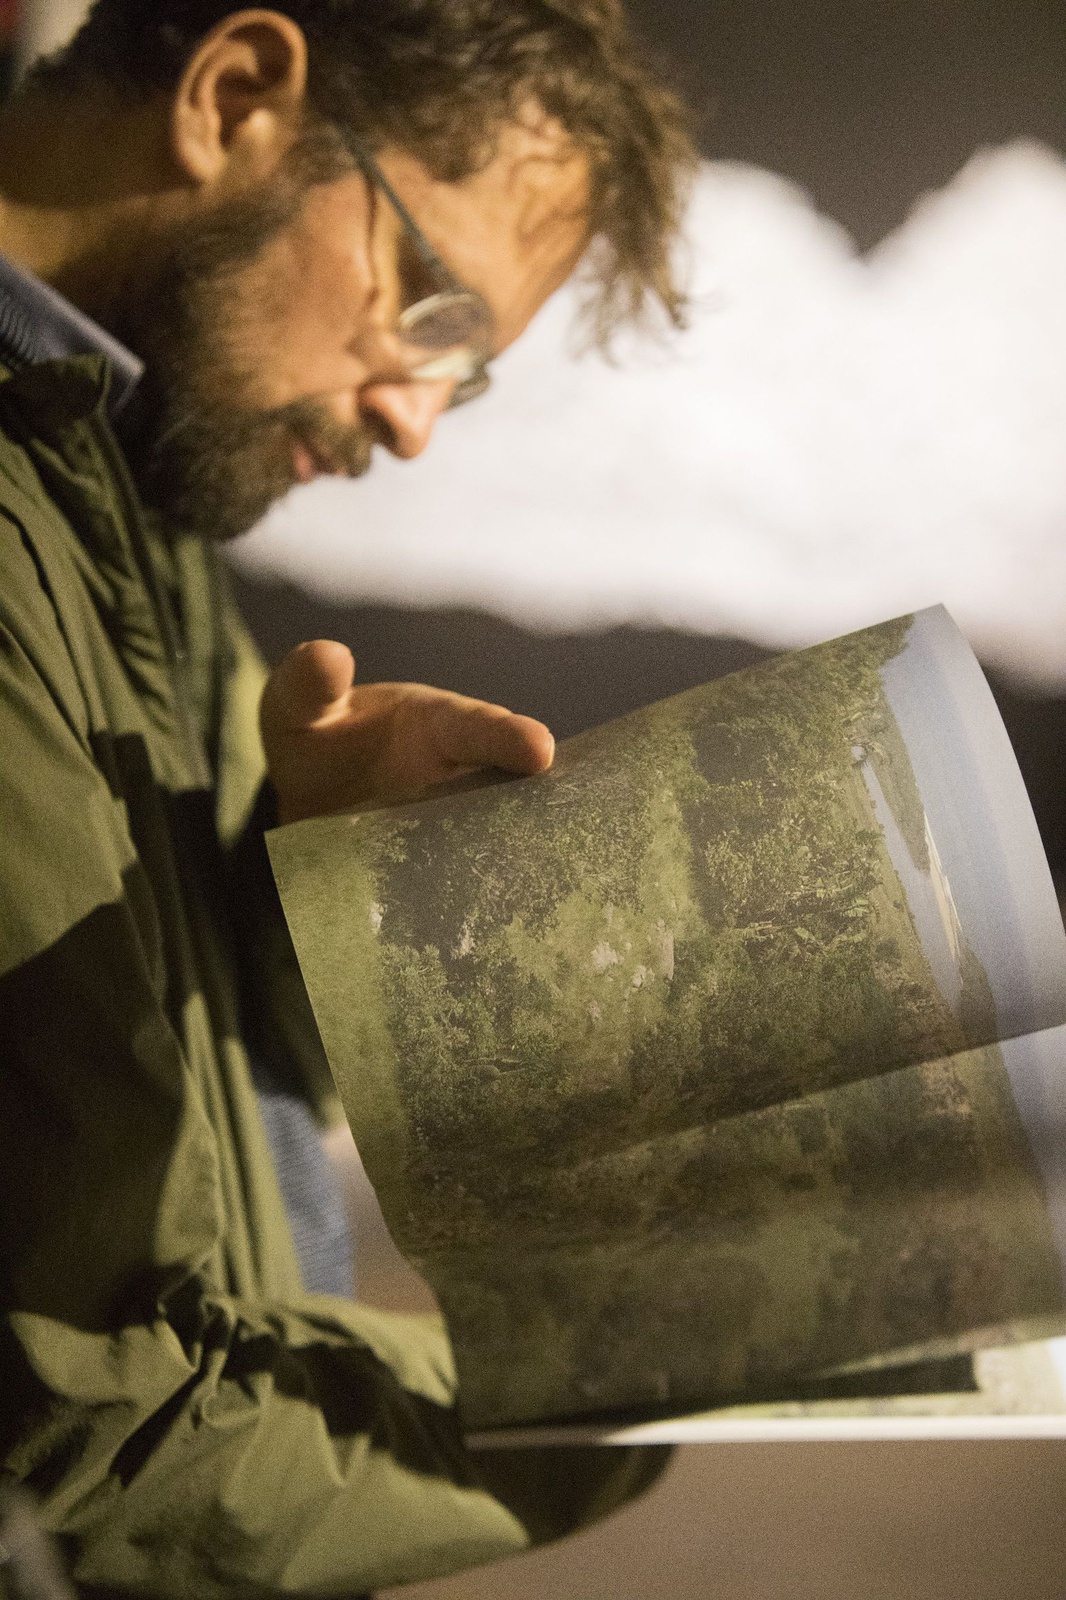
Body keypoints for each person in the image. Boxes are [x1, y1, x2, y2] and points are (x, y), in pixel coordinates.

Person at [0, 3, 695, 1594]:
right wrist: (645, 1374)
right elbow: (92, 1429)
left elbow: (162, 1093)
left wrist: (305, 884)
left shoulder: (118, 496)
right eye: (429, 309)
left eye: (466, 372)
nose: (411, 418)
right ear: (232, 92)